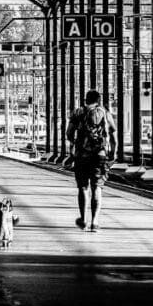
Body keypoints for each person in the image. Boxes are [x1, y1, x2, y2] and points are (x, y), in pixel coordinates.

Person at [66, 89, 117, 233]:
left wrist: (75, 144)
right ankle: (95, 222)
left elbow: (69, 133)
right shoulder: (105, 113)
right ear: (99, 100)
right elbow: (113, 136)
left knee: (83, 187)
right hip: (100, 155)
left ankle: (83, 220)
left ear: (86, 100)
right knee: (97, 187)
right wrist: (113, 152)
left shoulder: (78, 113)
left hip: (81, 155)